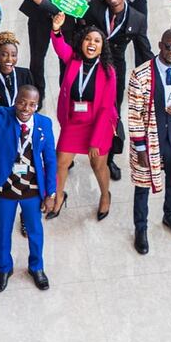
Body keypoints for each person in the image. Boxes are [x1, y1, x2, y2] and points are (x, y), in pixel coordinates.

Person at [0, 82, 57, 293]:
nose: (25, 108)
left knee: (35, 230)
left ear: (37, 106)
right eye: (22, 102)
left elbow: (50, 160)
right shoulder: (5, 115)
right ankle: (3, 269)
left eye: (31, 104)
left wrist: (51, 192)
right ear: (15, 101)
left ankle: (36, 267)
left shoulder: (44, 124)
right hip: (5, 187)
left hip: (32, 188)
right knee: (3, 230)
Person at [126, 29, 171, 254]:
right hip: (149, 139)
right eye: (168, 46)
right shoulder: (140, 75)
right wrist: (140, 147)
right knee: (142, 186)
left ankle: (170, 216)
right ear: (159, 45)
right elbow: (134, 114)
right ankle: (141, 228)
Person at [47, 11, 117, 221]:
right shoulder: (73, 59)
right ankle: (59, 196)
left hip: (98, 125)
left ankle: (105, 195)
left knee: (98, 165)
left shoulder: (108, 72)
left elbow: (106, 109)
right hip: (73, 123)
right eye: (88, 39)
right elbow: (60, 48)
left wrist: (95, 141)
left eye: (97, 40)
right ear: (82, 42)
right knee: (61, 162)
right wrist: (57, 29)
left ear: (102, 46)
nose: (91, 43)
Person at [80, 0, 152, 181]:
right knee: (84, 106)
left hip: (115, 70)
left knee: (112, 113)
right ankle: (78, 144)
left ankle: (109, 156)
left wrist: (159, 69)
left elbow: (144, 51)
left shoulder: (137, 18)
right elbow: (80, 26)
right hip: (91, 64)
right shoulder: (95, 6)